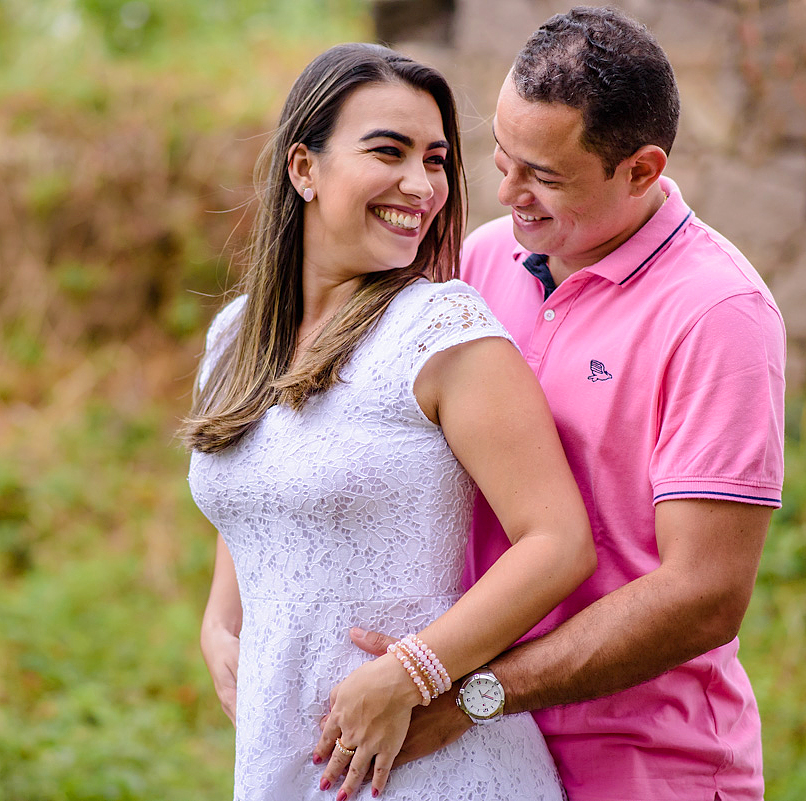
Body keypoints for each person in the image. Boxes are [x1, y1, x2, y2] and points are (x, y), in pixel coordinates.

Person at [346, 7, 786, 801]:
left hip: (645, 763)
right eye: (501, 156)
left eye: (545, 176)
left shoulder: (719, 313)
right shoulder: (487, 256)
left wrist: (474, 695)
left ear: (642, 171)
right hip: (482, 757)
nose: (508, 193)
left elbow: (703, 596)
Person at [183, 42, 595, 800]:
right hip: (290, 758)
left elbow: (559, 541)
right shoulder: (234, 337)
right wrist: (219, 622)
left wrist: (414, 672)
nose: (421, 184)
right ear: (303, 167)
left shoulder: (443, 330)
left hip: (431, 762)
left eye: (435, 159)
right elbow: (257, 490)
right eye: (389, 151)